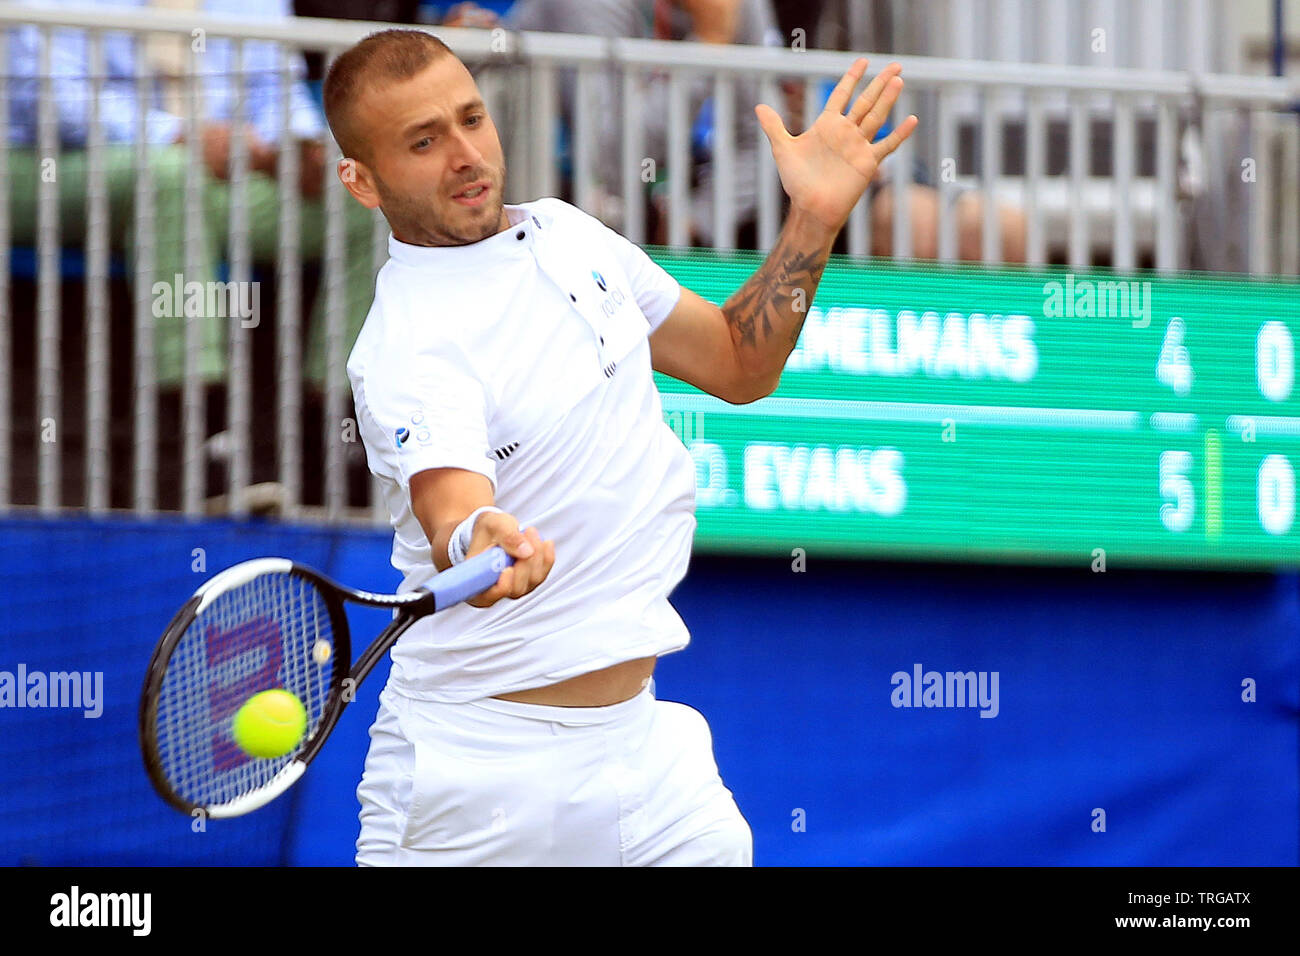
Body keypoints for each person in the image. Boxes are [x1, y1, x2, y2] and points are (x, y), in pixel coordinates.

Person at [324, 28, 915, 865]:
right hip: (479, 774)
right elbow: (453, 505)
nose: (466, 155)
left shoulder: (571, 235)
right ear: (361, 180)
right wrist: (480, 539)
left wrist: (813, 218)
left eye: (471, 119)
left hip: (647, 753)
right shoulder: (409, 345)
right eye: (424, 141)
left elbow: (739, 364)